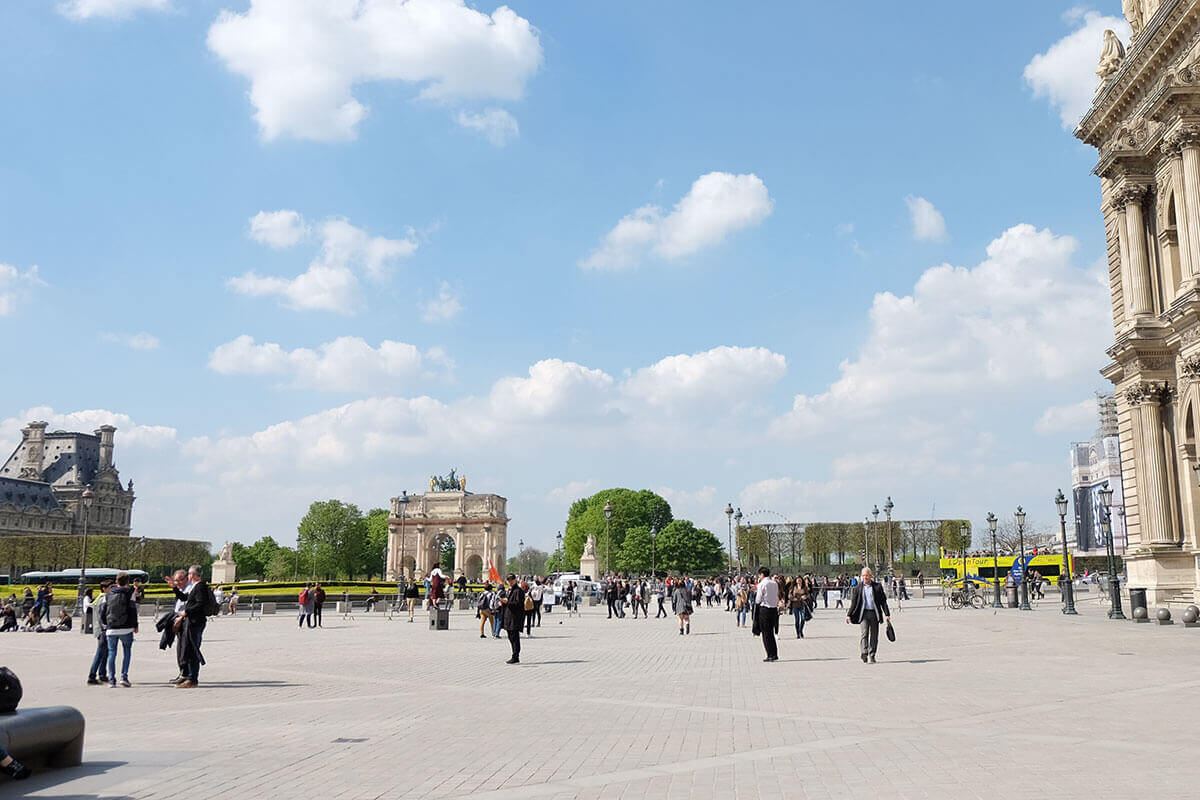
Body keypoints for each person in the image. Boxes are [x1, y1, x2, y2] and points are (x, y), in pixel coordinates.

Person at [173, 565, 213, 688]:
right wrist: (175, 588)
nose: (188, 577)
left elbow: (200, 603)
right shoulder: (197, 586)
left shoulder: (200, 586)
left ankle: (192, 678)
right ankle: (190, 676)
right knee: (189, 648)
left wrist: (187, 612)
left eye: (189, 574)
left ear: (193, 575)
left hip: (196, 621)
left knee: (192, 649)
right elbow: (186, 598)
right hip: (193, 621)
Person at [846, 567, 891, 664]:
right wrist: (849, 615)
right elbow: (853, 603)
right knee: (864, 633)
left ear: (871, 576)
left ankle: (872, 654)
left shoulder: (877, 586)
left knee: (874, 635)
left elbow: (883, 602)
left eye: (867, 575)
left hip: (874, 613)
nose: (865, 577)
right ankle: (864, 652)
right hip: (863, 613)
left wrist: (887, 614)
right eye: (863, 575)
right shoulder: (858, 588)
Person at [103, 571, 139, 687]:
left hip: (111, 628)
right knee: (127, 651)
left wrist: (106, 623)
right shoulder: (130, 592)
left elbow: (103, 611)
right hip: (126, 627)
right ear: (128, 582)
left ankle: (111, 679)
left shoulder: (108, 594)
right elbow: (133, 610)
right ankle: (124, 676)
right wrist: (135, 625)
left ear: (116, 581)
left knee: (111, 653)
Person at [498, 574, 525, 664]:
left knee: (514, 637)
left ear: (515, 580)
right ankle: (514, 654)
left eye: (511, 580)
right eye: (508, 580)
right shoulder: (510, 590)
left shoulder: (518, 591)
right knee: (511, 637)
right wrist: (503, 603)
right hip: (509, 617)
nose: (510, 582)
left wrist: (507, 602)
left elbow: (518, 604)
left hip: (515, 617)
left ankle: (515, 656)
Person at [755, 566, 779, 662]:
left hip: (765, 609)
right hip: (773, 609)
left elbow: (758, 599)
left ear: (762, 574)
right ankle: (774, 653)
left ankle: (769, 654)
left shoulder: (762, 584)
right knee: (771, 633)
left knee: (766, 634)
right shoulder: (774, 583)